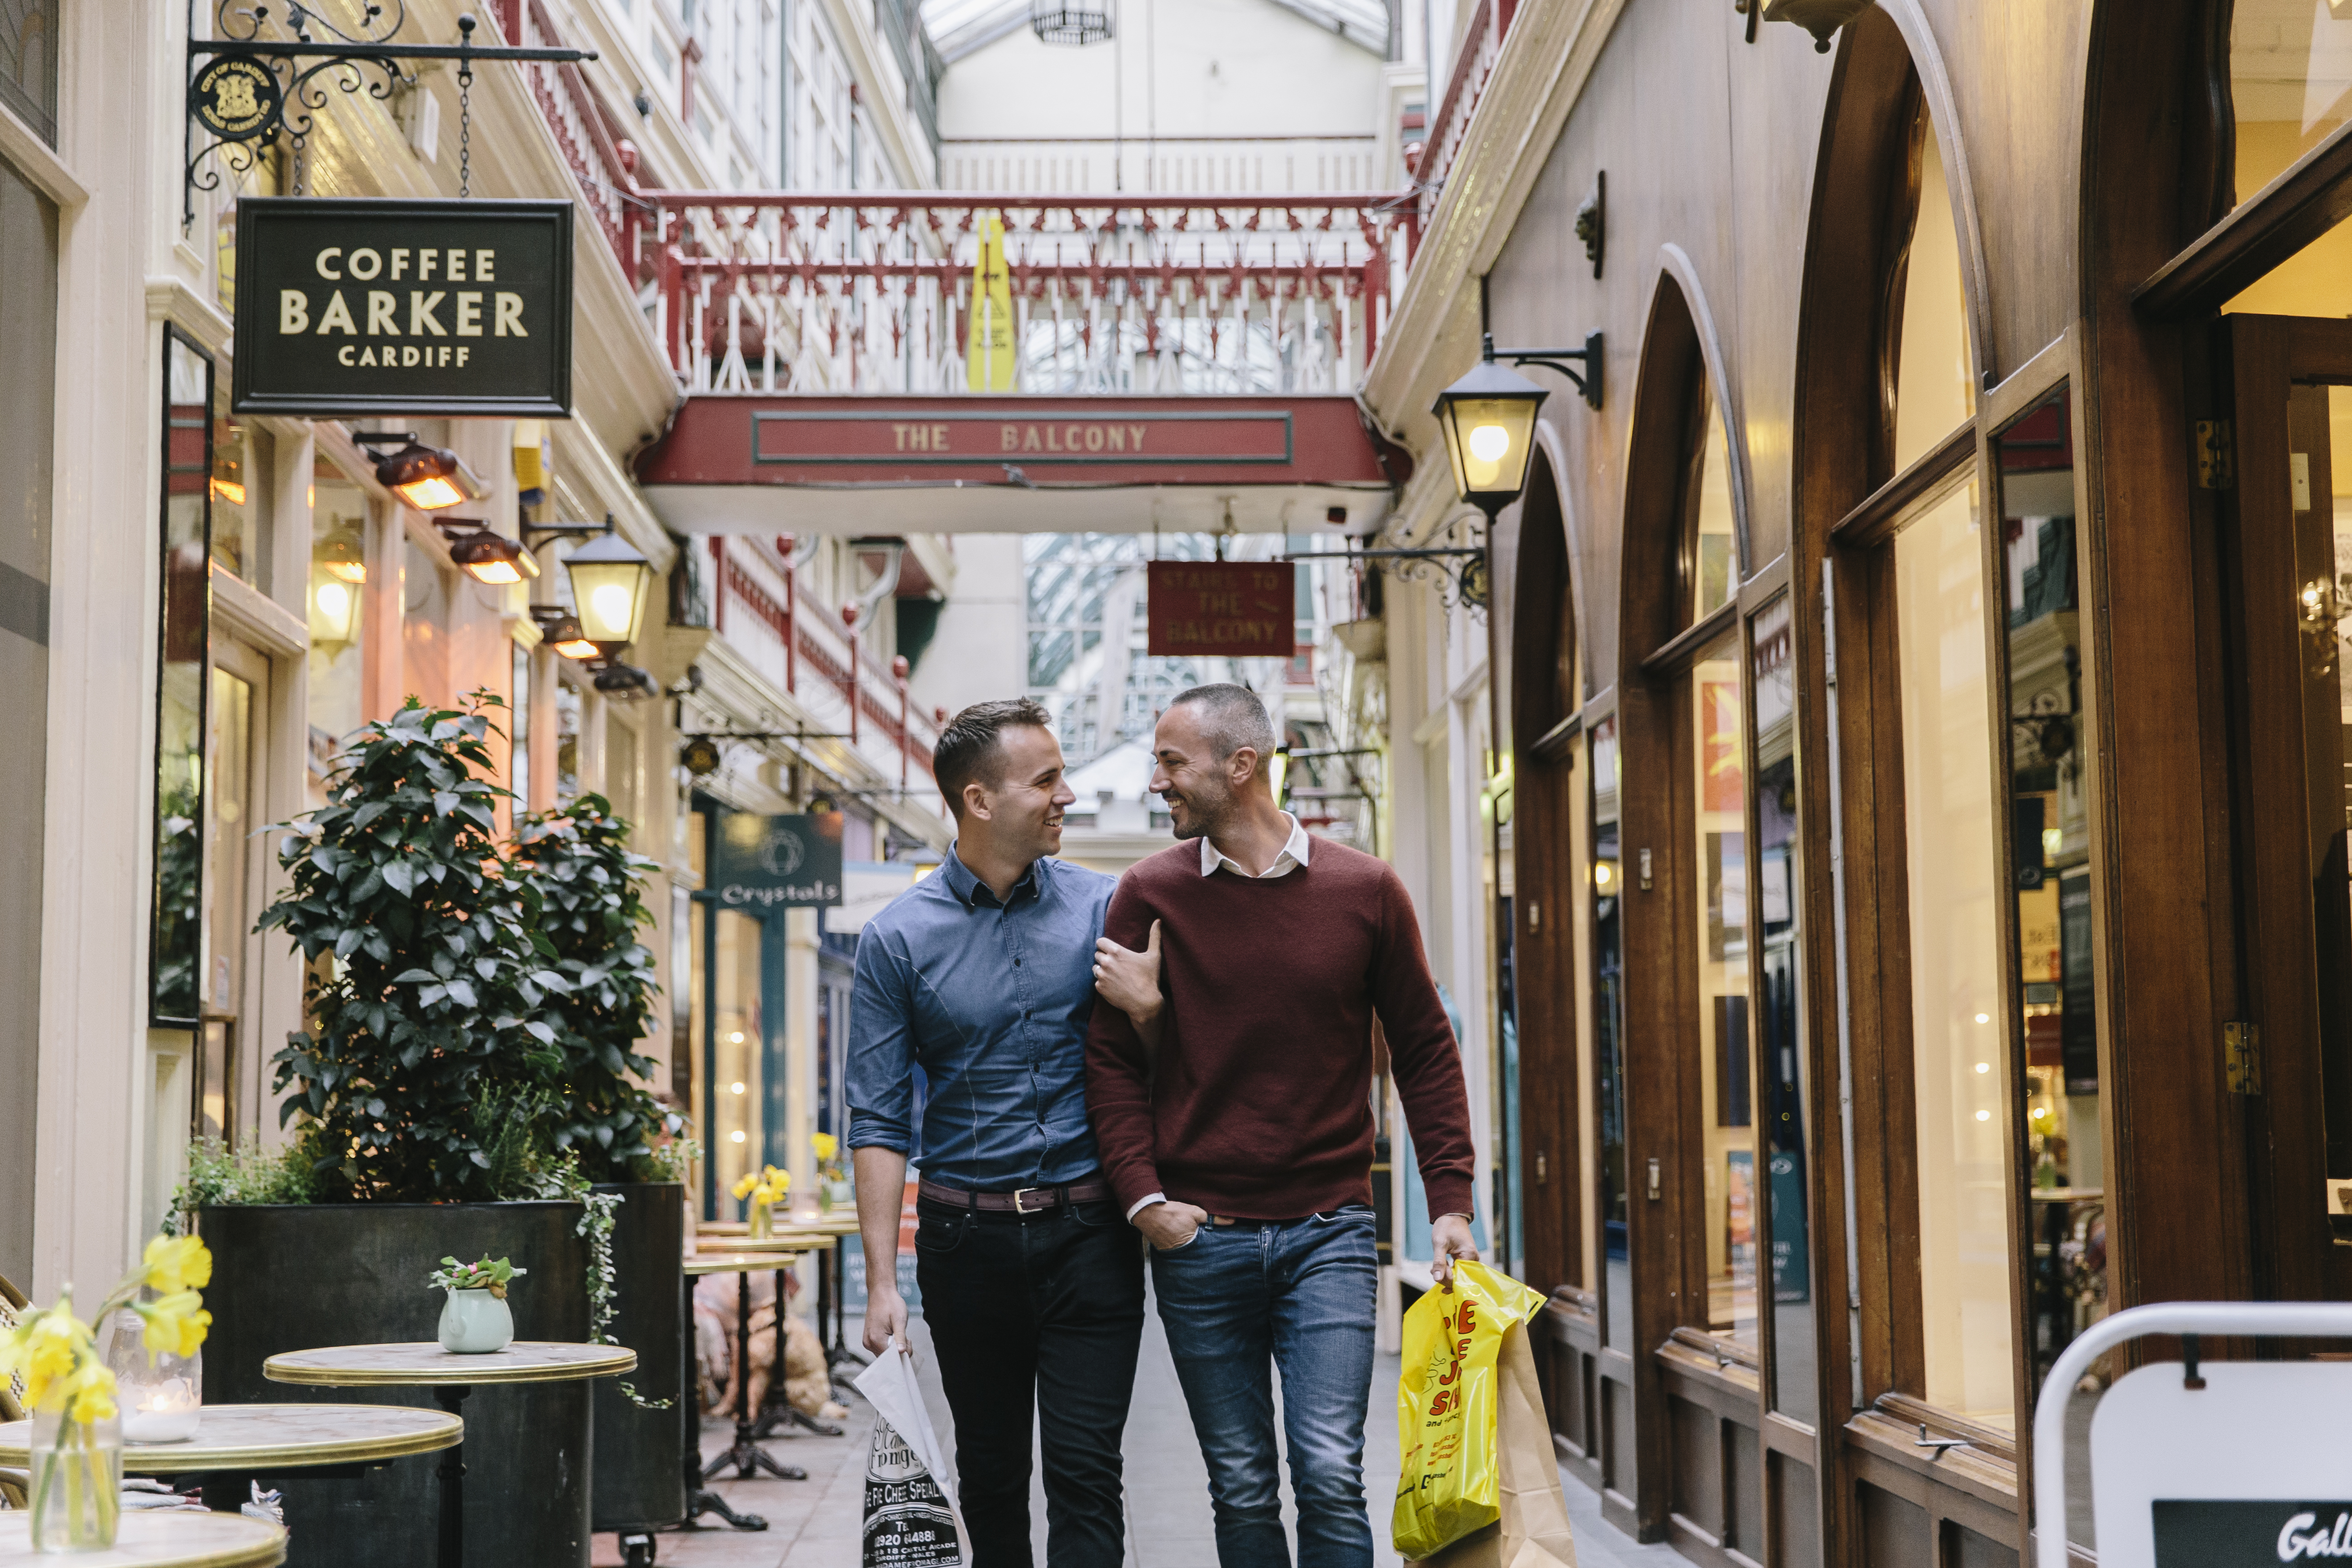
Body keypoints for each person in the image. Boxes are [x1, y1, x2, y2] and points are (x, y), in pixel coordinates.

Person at [1087, 682, 1480, 1568]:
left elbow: (1424, 1047)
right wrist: (1145, 1200)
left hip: (1329, 1235)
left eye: (1172, 762)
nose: (1158, 781)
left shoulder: (1366, 890)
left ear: (1243, 765)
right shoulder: (1148, 895)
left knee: (1332, 1470)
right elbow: (1108, 1063)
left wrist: (1449, 1200)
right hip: (1201, 1243)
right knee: (1239, 1481)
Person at [847, 698, 1143, 1568]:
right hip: (964, 1239)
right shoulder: (896, 940)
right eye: (1046, 780)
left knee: (1090, 1474)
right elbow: (877, 1115)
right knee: (989, 1474)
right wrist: (878, 1283)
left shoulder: (1105, 906)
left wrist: (1155, 1008)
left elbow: (1161, 1061)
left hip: (1091, 1233)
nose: (1067, 797)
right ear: (979, 801)